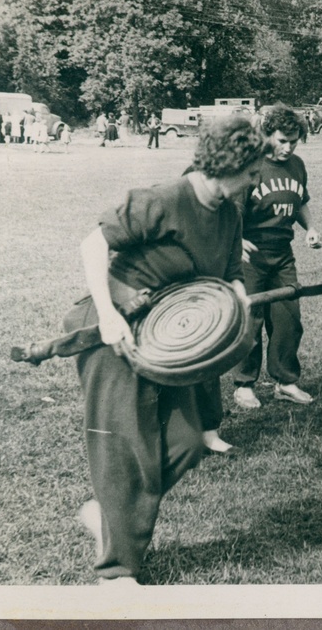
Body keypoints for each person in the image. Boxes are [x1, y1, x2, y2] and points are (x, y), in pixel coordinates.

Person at [64, 115, 262, 585]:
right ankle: (117, 573)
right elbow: (92, 245)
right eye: (252, 172)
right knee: (123, 450)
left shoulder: (230, 216)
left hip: (166, 336)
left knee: (187, 442)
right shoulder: (164, 199)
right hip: (112, 329)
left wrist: (239, 305)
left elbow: (231, 275)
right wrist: (109, 315)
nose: (256, 181)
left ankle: (107, 515)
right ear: (229, 164)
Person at [233, 105, 321, 410]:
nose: (288, 147)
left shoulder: (297, 165)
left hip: (283, 254)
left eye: (294, 141)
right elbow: (233, 211)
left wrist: (311, 228)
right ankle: (244, 384)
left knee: (288, 320)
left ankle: (285, 382)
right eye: (282, 140)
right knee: (250, 320)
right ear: (267, 134)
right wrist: (236, 241)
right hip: (250, 256)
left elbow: (300, 201)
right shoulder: (251, 165)